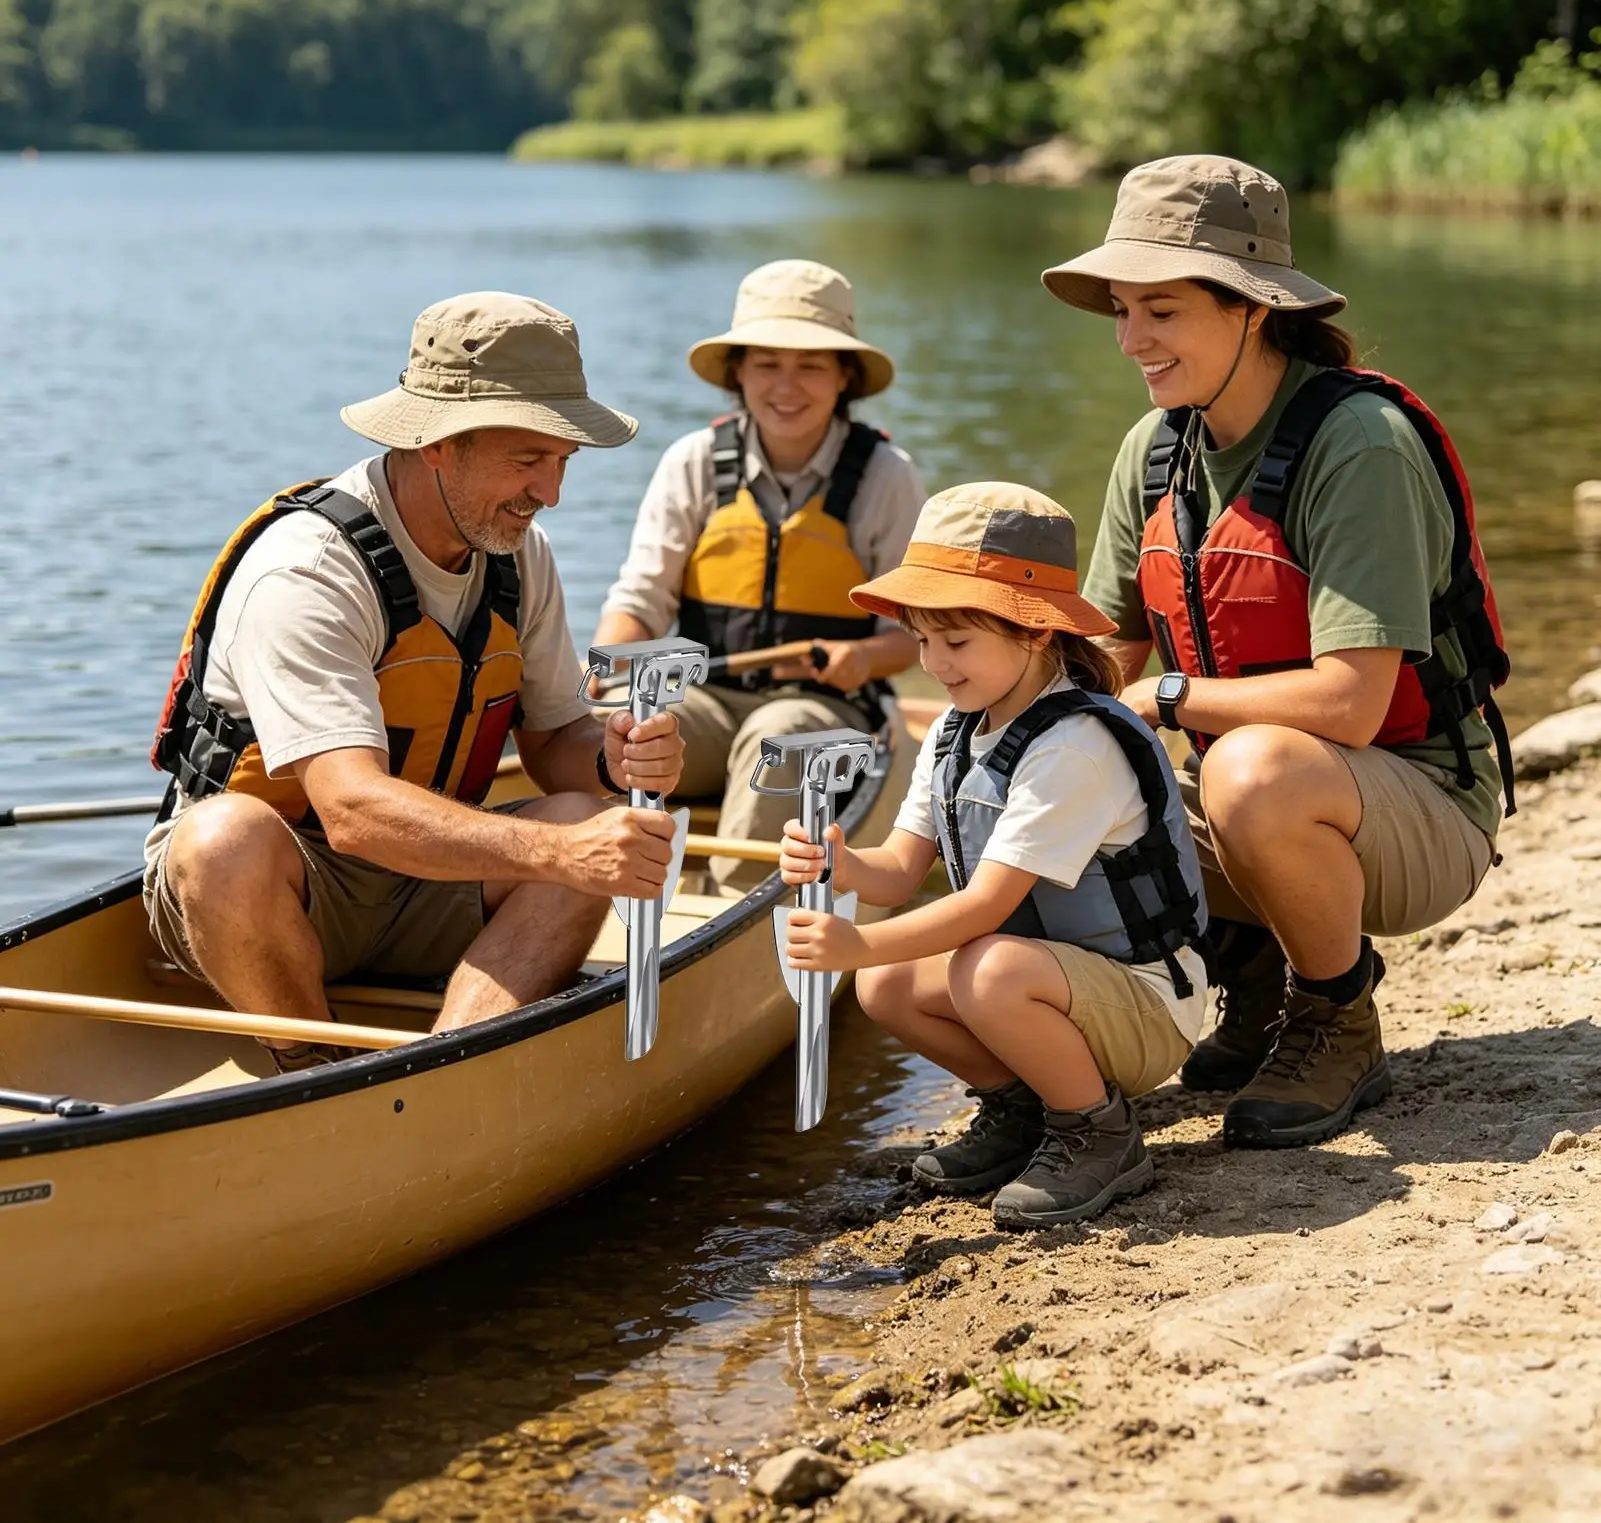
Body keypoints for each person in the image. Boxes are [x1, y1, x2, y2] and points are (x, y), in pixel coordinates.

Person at [1042, 154, 1510, 1148]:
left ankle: (1333, 1012)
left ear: (1250, 308)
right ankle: (1241, 980)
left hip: (1412, 803)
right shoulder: (1154, 450)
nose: (1129, 340)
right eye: (1120, 309)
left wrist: (1165, 697)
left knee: (1248, 770)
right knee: (1027, 765)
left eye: (1158, 311)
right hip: (1257, 793)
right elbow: (1104, 656)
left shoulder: (1360, 444)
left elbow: (1348, 706)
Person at [144, 292, 686, 1069]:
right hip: (282, 886)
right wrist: (560, 855)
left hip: (425, 885)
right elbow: (352, 812)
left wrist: (613, 757)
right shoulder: (309, 569)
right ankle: (313, 1070)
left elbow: (553, 740)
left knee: (581, 814)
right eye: (528, 458)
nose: (552, 493)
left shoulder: (518, 553)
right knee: (222, 838)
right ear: (439, 443)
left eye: (562, 460)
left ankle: (448, 1066)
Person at [778, 483, 1209, 1228]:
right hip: (1047, 990)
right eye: (919, 640)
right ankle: (1023, 1113)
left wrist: (854, 942)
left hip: (1144, 1008)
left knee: (984, 962)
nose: (934, 664)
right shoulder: (955, 728)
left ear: (1036, 633)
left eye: (956, 642)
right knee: (885, 984)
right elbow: (899, 868)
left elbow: (984, 908)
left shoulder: (1074, 745)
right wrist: (841, 865)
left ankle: (1097, 1133)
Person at [591, 259, 926, 890]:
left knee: (776, 738)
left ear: (844, 376)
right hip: (711, 702)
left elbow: (915, 636)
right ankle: (594, 888)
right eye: (767, 364)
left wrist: (864, 657)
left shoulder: (888, 476)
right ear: (738, 373)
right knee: (617, 727)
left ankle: (726, 912)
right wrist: (608, 668)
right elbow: (640, 598)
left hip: (830, 709)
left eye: (810, 365)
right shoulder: (691, 462)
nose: (786, 386)